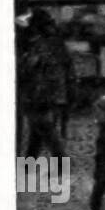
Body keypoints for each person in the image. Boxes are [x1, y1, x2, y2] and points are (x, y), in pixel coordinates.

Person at [20, 9, 73, 159]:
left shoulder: (39, 44)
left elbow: (29, 68)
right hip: (53, 95)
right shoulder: (56, 43)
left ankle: (61, 166)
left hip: (40, 96)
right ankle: (27, 167)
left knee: (46, 132)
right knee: (37, 135)